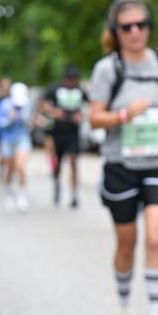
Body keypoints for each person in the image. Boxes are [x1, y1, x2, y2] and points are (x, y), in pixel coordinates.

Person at [89, 0, 158, 315]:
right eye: (127, 27)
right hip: (121, 166)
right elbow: (95, 118)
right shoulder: (108, 69)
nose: (135, 32)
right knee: (127, 243)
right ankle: (126, 310)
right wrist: (125, 115)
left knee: (156, 236)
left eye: (141, 24)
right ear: (116, 31)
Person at [40, 65, 88, 208]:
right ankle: (57, 186)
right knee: (58, 164)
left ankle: (74, 194)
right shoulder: (54, 88)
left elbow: (90, 106)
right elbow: (42, 104)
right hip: (57, 132)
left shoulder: (80, 90)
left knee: (74, 161)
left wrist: (81, 115)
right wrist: (54, 112)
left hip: (73, 132)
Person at [0, 82, 33, 212]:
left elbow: (28, 122)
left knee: (21, 166)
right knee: (10, 169)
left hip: (22, 138)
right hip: (7, 140)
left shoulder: (27, 104)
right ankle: (8, 191)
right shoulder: (3, 105)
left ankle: (22, 193)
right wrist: (10, 119)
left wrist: (23, 118)